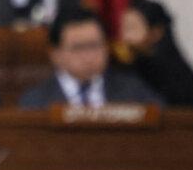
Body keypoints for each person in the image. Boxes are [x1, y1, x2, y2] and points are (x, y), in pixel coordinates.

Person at [18, 7, 161, 108]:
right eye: (79, 48)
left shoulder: (133, 92)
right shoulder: (35, 103)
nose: (88, 56)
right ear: (56, 55)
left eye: (94, 45)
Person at [115, 0, 193, 107]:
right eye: (124, 29)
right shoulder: (124, 65)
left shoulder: (173, 75)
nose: (126, 38)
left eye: (132, 28)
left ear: (156, 33)